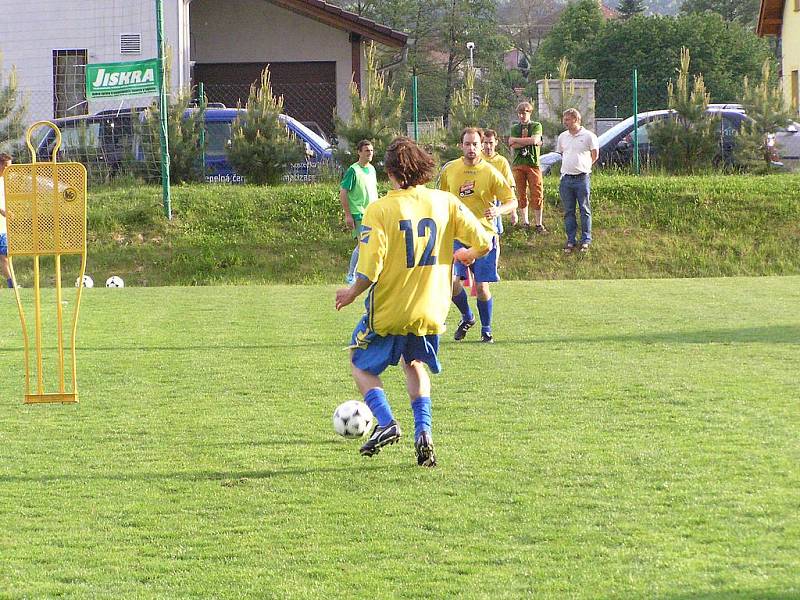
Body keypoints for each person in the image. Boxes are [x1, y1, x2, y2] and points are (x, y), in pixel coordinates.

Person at [335, 137, 492, 467]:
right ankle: (424, 433)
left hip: (391, 309)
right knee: (415, 364)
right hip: (430, 309)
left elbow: (370, 265)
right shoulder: (445, 202)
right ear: (422, 167)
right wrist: (468, 254)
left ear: (390, 172)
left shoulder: (381, 209)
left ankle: (387, 421)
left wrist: (352, 292)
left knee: (358, 361)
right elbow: (484, 241)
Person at [439, 127, 516, 343]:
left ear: (482, 145)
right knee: (451, 282)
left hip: (484, 235)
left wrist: (498, 210)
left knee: (482, 287)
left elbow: (513, 201)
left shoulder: (490, 172)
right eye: (467, 144)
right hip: (457, 235)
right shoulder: (450, 170)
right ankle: (467, 316)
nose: (471, 148)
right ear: (460, 145)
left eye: (475, 144)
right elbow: (442, 199)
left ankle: (487, 329)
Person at [555, 108, 599, 253]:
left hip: (581, 178)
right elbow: (562, 153)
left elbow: (595, 155)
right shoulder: (562, 137)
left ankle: (586, 240)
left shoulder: (588, 136)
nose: (565, 122)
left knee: (584, 209)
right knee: (569, 211)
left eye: (567, 119)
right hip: (566, 179)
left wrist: (584, 166)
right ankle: (570, 240)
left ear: (576, 119)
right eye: (564, 119)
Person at [339, 140, 378, 284]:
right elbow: (343, 192)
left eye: (371, 151)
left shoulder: (372, 169)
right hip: (359, 213)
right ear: (359, 152)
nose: (370, 153)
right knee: (363, 244)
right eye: (367, 150)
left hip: (372, 213)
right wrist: (348, 215)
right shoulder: (353, 170)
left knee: (369, 244)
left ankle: (366, 274)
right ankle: (351, 275)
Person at [507, 102, 546, 233]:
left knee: (537, 192)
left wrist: (521, 141)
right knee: (521, 193)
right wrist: (531, 141)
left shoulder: (536, 125)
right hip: (518, 164)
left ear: (530, 113)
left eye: (525, 113)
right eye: (520, 113)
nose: (522, 116)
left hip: (533, 163)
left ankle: (538, 223)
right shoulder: (515, 127)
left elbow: (534, 140)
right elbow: (511, 143)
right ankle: (525, 222)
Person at [480, 129, 515, 236]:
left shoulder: (501, 161)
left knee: (496, 230)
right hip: (479, 198)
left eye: (491, 143)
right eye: (485, 143)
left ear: (496, 142)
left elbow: (510, 187)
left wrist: (513, 213)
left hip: (496, 200)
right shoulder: (477, 158)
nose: (488, 146)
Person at [0, 152, 13, 288]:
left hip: (2, 226)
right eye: (7, 166)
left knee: (4, 256)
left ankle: (11, 284)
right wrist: (2, 210)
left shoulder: (4, 181)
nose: (9, 169)